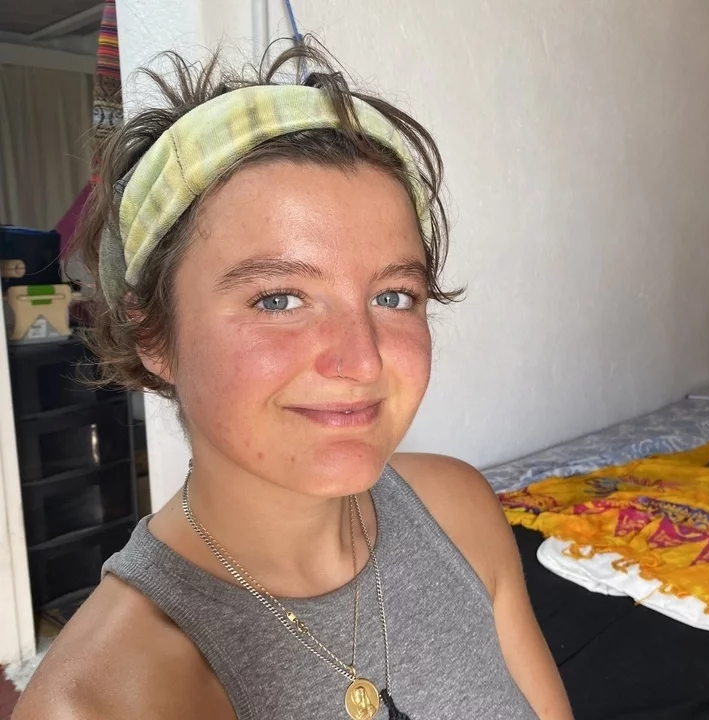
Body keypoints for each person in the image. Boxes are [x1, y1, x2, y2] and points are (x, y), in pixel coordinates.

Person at [13, 42, 573, 720]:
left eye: (393, 296)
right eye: (278, 299)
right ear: (153, 335)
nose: (362, 361)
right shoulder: (97, 703)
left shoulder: (459, 512)